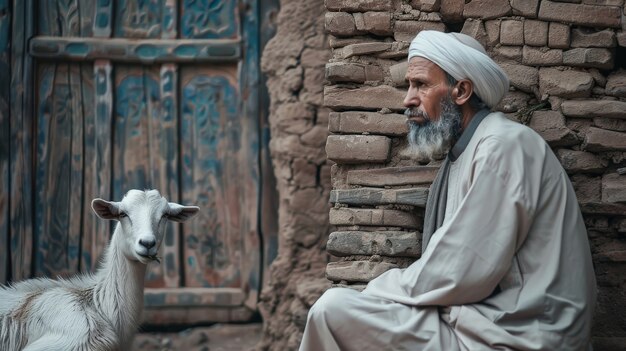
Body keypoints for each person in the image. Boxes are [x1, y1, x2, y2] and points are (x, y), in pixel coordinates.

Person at [299, 30, 596, 351]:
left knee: (333, 310)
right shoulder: (465, 154)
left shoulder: (502, 146)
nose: (408, 99)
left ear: (461, 90)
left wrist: (374, 291)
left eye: (421, 85)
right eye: (409, 85)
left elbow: (460, 271)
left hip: (525, 333)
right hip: (483, 320)